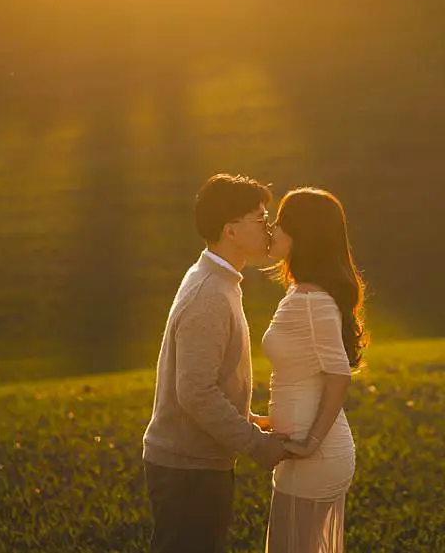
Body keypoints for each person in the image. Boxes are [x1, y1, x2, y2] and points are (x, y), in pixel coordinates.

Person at [142, 174, 289, 553]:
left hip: (196, 462)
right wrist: (256, 444)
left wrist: (247, 417)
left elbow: (206, 381)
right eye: (260, 219)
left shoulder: (218, 280)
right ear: (231, 231)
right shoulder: (209, 293)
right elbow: (194, 392)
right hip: (187, 469)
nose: (269, 227)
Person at [260, 188, 368, 553]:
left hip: (316, 456)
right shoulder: (300, 294)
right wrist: (265, 420)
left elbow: (338, 375)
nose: (271, 229)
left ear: (303, 235)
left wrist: (310, 443)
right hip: (300, 452)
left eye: (281, 223)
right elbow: (303, 375)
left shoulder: (311, 300)